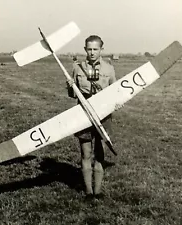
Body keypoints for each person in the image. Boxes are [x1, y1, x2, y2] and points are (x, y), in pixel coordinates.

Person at [67, 35, 117, 199]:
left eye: (96, 49)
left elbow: (115, 93)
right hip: (83, 114)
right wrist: (70, 86)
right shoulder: (77, 68)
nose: (92, 52)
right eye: (89, 49)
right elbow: (72, 94)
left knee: (100, 153)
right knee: (85, 153)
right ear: (85, 50)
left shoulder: (109, 69)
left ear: (101, 49)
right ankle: (89, 192)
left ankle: (98, 191)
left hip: (103, 114)